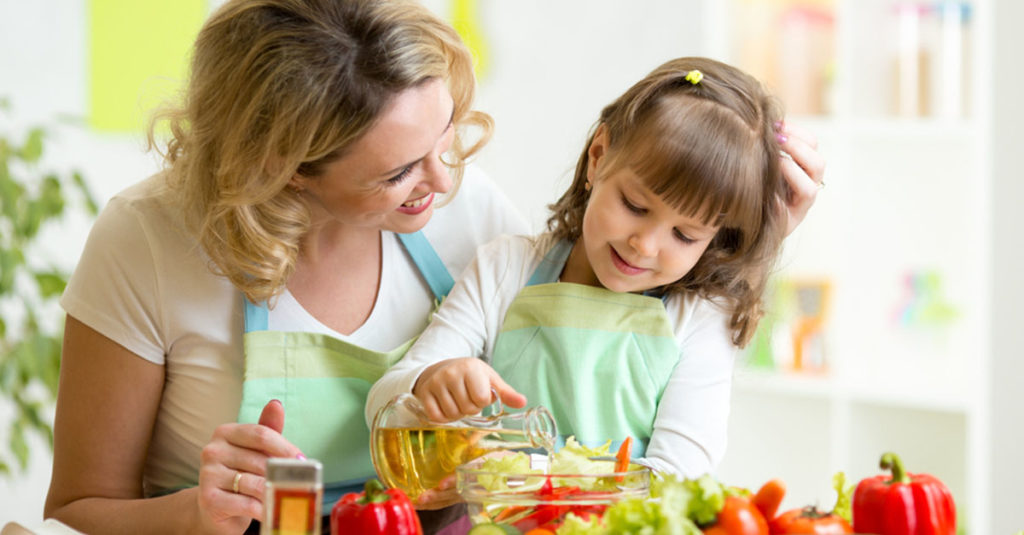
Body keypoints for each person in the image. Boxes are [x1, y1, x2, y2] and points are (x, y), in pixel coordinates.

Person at [43, 1, 823, 534]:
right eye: (399, 173)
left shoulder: (470, 216)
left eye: (445, 141)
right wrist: (190, 515)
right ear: (286, 167)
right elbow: (76, 505)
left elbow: (611, 327)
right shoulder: (147, 240)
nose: (444, 182)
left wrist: (749, 240)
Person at [367, 57, 812, 484]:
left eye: (685, 235)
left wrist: (549, 486)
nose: (646, 244)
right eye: (635, 206)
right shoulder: (506, 268)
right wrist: (428, 382)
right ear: (598, 156)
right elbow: (383, 403)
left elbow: (679, 478)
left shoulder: (700, 317)